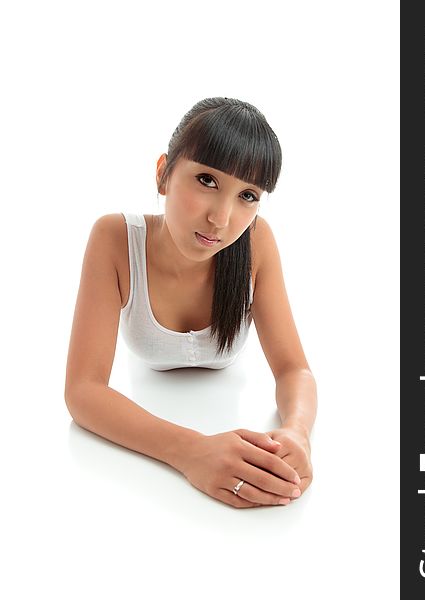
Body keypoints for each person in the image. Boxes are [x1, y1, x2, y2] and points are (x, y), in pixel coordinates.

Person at [64, 97, 317, 509]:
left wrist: (296, 431)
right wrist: (190, 451)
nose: (221, 218)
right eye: (207, 181)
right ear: (163, 173)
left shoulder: (256, 243)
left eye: (248, 195)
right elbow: (83, 390)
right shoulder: (115, 238)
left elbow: (294, 369)